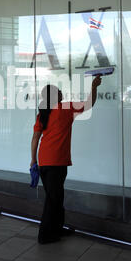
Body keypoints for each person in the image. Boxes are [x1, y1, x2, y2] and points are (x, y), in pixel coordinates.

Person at [30, 77, 102, 244]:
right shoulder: (65, 108)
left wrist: (33, 161)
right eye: (58, 90)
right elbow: (89, 104)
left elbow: (35, 138)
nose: (62, 92)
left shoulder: (43, 114)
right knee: (53, 199)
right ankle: (45, 236)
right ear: (55, 96)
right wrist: (93, 86)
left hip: (44, 161)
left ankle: (57, 229)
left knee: (56, 196)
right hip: (57, 162)